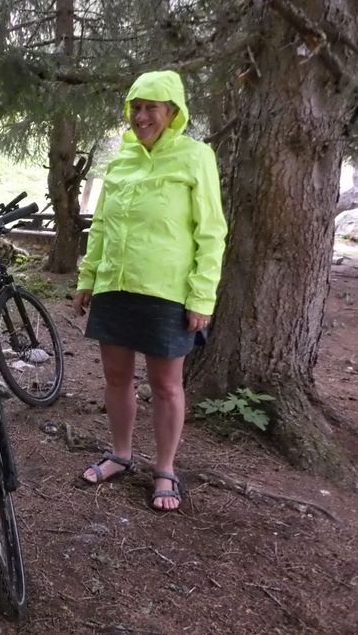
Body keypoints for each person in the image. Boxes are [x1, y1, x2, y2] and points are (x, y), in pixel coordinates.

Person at [72, 70, 227, 511]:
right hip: (116, 286)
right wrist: (89, 277)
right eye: (135, 107)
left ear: (173, 112)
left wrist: (201, 296)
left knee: (166, 386)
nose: (141, 116)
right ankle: (121, 455)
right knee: (116, 379)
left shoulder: (195, 157)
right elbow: (101, 224)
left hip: (167, 292)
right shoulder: (121, 157)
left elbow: (212, 232)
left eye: (151, 108)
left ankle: (164, 470)